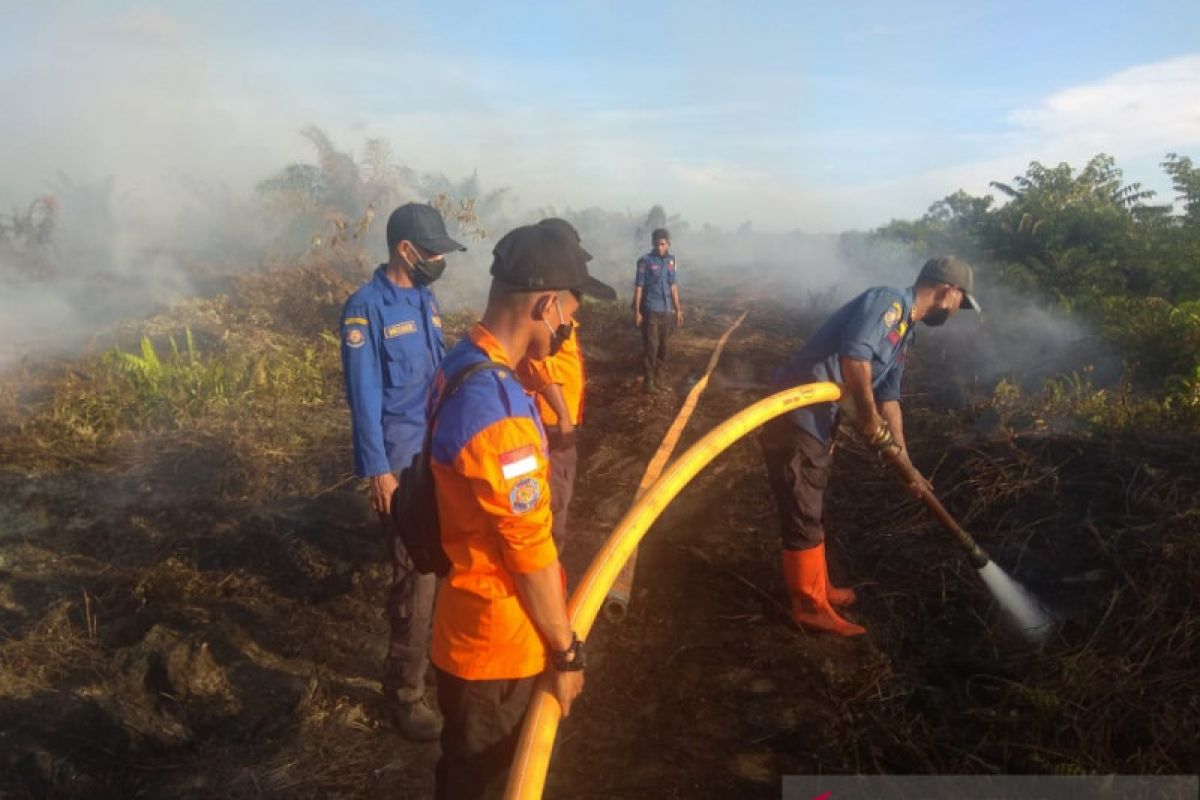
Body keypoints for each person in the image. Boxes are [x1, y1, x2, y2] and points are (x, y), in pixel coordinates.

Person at [429, 223, 616, 799]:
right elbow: (529, 552)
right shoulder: (500, 411)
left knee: (462, 771)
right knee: (488, 778)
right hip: (497, 645)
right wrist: (566, 654)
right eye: (567, 314)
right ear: (544, 304)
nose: (568, 328)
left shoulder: (462, 362)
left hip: (463, 625)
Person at [761, 256, 981, 637]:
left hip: (819, 418)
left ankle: (820, 588)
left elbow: (889, 399)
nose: (958, 312)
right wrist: (866, 418)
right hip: (796, 413)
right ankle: (809, 606)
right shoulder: (889, 302)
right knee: (803, 507)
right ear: (948, 291)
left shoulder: (905, 331)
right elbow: (855, 357)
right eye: (961, 303)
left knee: (810, 502)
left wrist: (905, 462)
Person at [339, 202, 465, 740]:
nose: (439, 259)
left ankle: (438, 668)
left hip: (439, 457)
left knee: (449, 567)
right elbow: (364, 398)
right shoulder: (364, 309)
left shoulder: (426, 298)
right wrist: (379, 472)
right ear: (405, 250)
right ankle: (404, 695)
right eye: (432, 251)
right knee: (416, 581)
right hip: (402, 466)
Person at [514, 218, 590, 553]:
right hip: (550, 426)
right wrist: (562, 416)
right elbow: (539, 364)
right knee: (550, 506)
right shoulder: (544, 318)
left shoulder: (560, 313)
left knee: (556, 502)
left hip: (557, 421)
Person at [632, 227, 683, 393]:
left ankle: (659, 380)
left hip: (666, 310)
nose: (659, 247)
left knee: (664, 348)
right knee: (651, 347)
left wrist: (678, 310)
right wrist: (637, 311)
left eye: (662, 244)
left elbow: (673, 286)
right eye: (657, 244)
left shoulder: (671, 261)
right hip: (650, 310)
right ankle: (648, 383)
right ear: (652, 244)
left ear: (668, 243)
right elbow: (639, 287)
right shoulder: (645, 261)